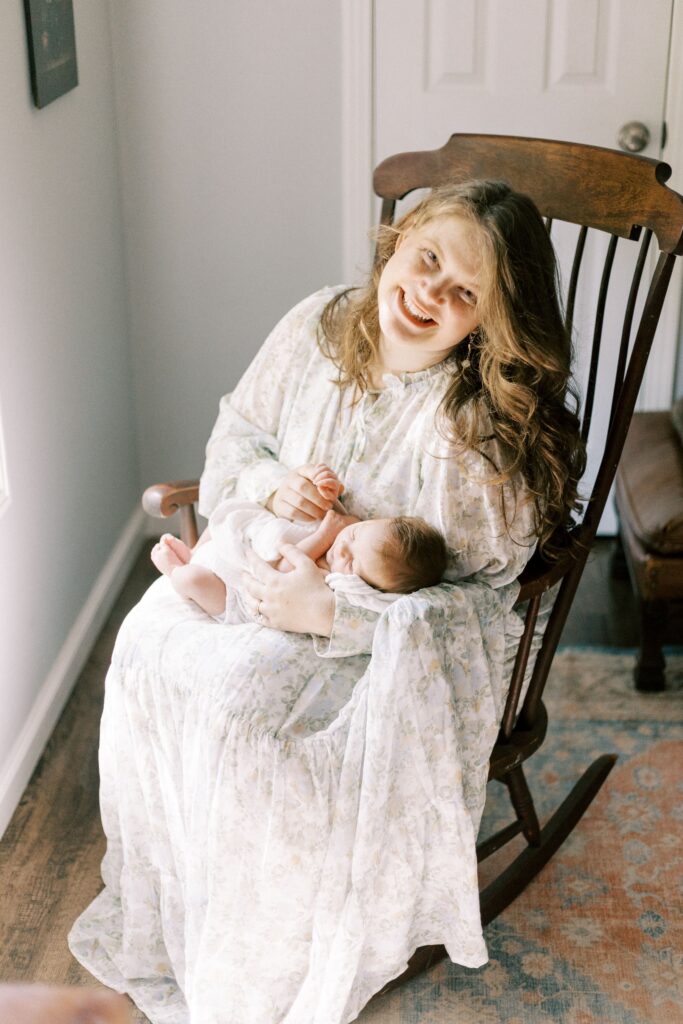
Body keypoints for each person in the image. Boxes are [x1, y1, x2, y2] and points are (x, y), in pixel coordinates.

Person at [69, 180, 585, 1024]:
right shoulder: (319, 323)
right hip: (265, 560)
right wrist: (274, 489)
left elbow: (484, 606)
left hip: (377, 631)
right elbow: (241, 432)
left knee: (249, 716)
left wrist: (332, 614)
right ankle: (200, 890)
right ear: (399, 240)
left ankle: (280, 932)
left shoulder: (477, 424)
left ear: (488, 321)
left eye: (464, 294)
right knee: (147, 643)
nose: (428, 296)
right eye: (427, 261)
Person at [150, 462, 449, 621]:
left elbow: (283, 566)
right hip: (238, 557)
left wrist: (323, 537)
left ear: (370, 585)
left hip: (237, 596)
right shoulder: (352, 525)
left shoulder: (331, 580)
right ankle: (196, 554)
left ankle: (176, 570)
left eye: (354, 562)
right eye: (355, 536)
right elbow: (330, 507)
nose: (343, 548)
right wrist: (325, 484)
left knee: (194, 579)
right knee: (231, 520)